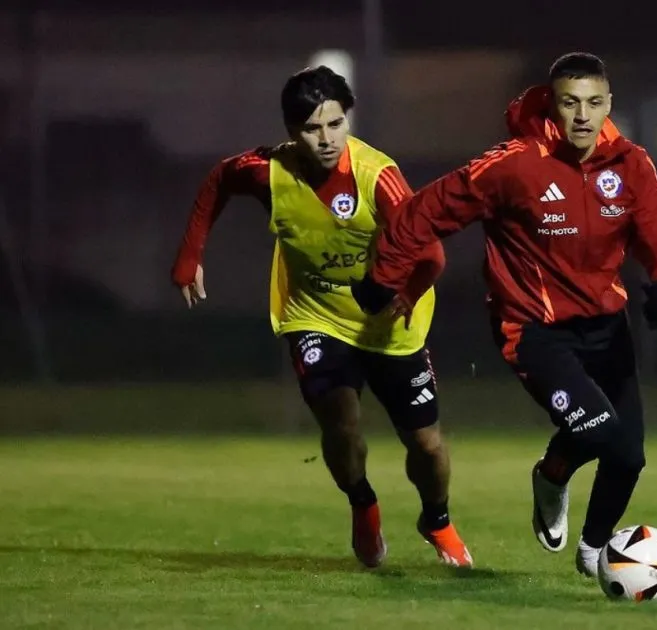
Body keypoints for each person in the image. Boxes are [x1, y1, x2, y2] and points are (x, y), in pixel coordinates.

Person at [351, 52, 657, 576]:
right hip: (534, 330)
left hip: (606, 328)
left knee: (628, 456)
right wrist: (384, 277)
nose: (582, 115)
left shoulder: (631, 164)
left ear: (608, 106)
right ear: (553, 105)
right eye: (571, 103)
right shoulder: (513, 163)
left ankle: (595, 552)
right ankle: (551, 477)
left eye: (594, 103)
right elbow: (426, 211)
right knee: (598, 430)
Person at [170, 66, 473, 568]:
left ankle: (436, 519)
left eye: (335, 124)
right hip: (315, 315)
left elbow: (432, 255)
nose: (327, 138)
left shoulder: (378, 175)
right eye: (313, 128)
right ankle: (363, 504)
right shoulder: (269, 171)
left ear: (347, 119)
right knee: (341, 421)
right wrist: (190, 253)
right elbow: (219, 178)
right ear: (291, 132)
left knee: (427, 444)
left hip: (391, 322)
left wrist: (408, 292)